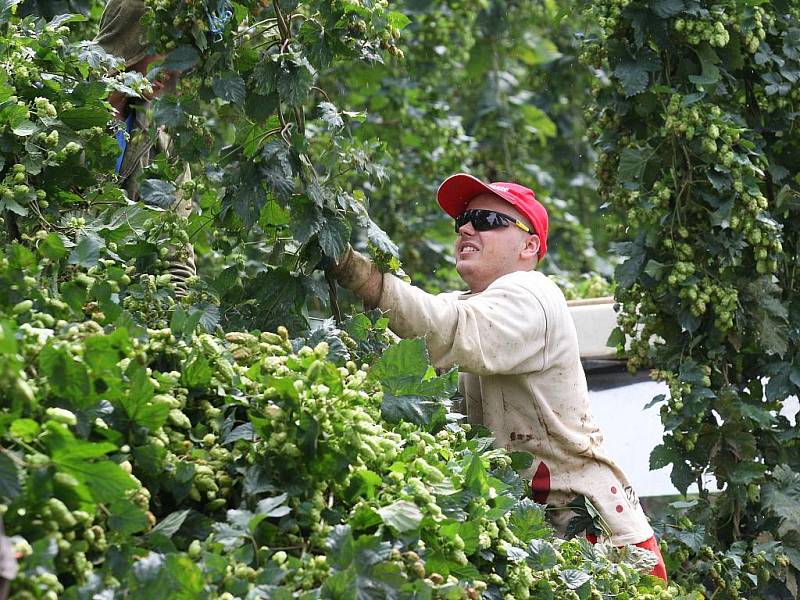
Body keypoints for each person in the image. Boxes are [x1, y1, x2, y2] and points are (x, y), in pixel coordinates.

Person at [334, 173, 668, 581]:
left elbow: (447, 330)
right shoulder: (471, 305)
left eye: (488, 220)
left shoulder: (534, 295)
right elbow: (414, 334)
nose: (467, 227)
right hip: (542, 543)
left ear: (529, 245)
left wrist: (361, 275)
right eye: (464, 219)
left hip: (603, 547)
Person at [95, 0, 196, 295]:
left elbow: (175, 252)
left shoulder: (162, 143)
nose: (174, 66)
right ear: (130, 41)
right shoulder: (57, 111)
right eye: (165, 48)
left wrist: (175, 321)